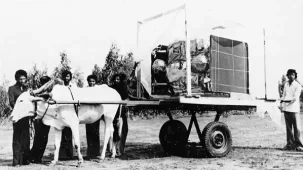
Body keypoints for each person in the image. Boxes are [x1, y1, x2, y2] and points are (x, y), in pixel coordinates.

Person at [8, 69, 30, 166]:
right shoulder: (12, 89)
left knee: (26, 138)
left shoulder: (27, 89)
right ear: (17, 79)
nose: (22, 81)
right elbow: (12, 102)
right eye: (20, 79)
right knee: (17, 139)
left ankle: (25, 161)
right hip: (17, 116)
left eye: (24, 79)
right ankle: (16, 161)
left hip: (25, 117)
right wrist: (20, 108)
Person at [29, 76, 51, 163]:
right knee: (38, 138)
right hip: (38, 118)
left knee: (44, 139)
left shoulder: (50, 94)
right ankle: (33, 156)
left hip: (47, 118)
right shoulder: (36, 93)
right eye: (44, 83)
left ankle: (38, 157)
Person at [281, 69, 303, 151]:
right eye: (289, 74)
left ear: (295, 76)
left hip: (294, 109)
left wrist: (285, 101)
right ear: (287, 75)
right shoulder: (286, 84)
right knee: (288, 128)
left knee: (297, 128)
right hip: (286, 109)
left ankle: (299, 145)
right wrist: (281, 103)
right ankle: (290, 144)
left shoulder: (298, 85)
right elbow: (283, 95)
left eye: (293, 74)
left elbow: (295, 98)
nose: (291, 76)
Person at [110, 73, 129, 156]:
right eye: (115, 79)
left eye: (118, 79)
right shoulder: (112, 88)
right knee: (114, 131)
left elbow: (126, 97)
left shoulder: (123, 87)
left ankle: (120, 150)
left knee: (123, 130)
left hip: (122, 111)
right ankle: (113, 150)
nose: (116, 81)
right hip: (114, 111)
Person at [59, 70, 74, 160]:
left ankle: (70, 154)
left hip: (70, 112)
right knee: (62, 133)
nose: (66, 78)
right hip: (61, 111)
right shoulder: (60, 87)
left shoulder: (73, 86)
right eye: (65, 76)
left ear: (70, 77)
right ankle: (62, 155)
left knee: (69, 133)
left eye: (68, 76)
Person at [85, 74, 101, 159]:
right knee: (89, 133)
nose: (92, 83)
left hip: (96, 113)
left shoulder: (98, 90)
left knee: (96, 133)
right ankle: (90, 153)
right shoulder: (85, 89)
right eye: (90, 81)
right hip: (87, 114)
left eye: (93, 81)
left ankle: (96, 152)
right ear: (88, 82)